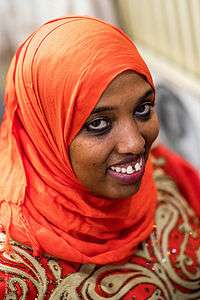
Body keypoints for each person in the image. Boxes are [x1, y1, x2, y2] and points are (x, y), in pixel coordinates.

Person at [0, 16, 199, 300]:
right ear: (45, 133)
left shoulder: (165, 172)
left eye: (142, 109)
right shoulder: (11, 276)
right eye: (98, 124)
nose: (136, 143)